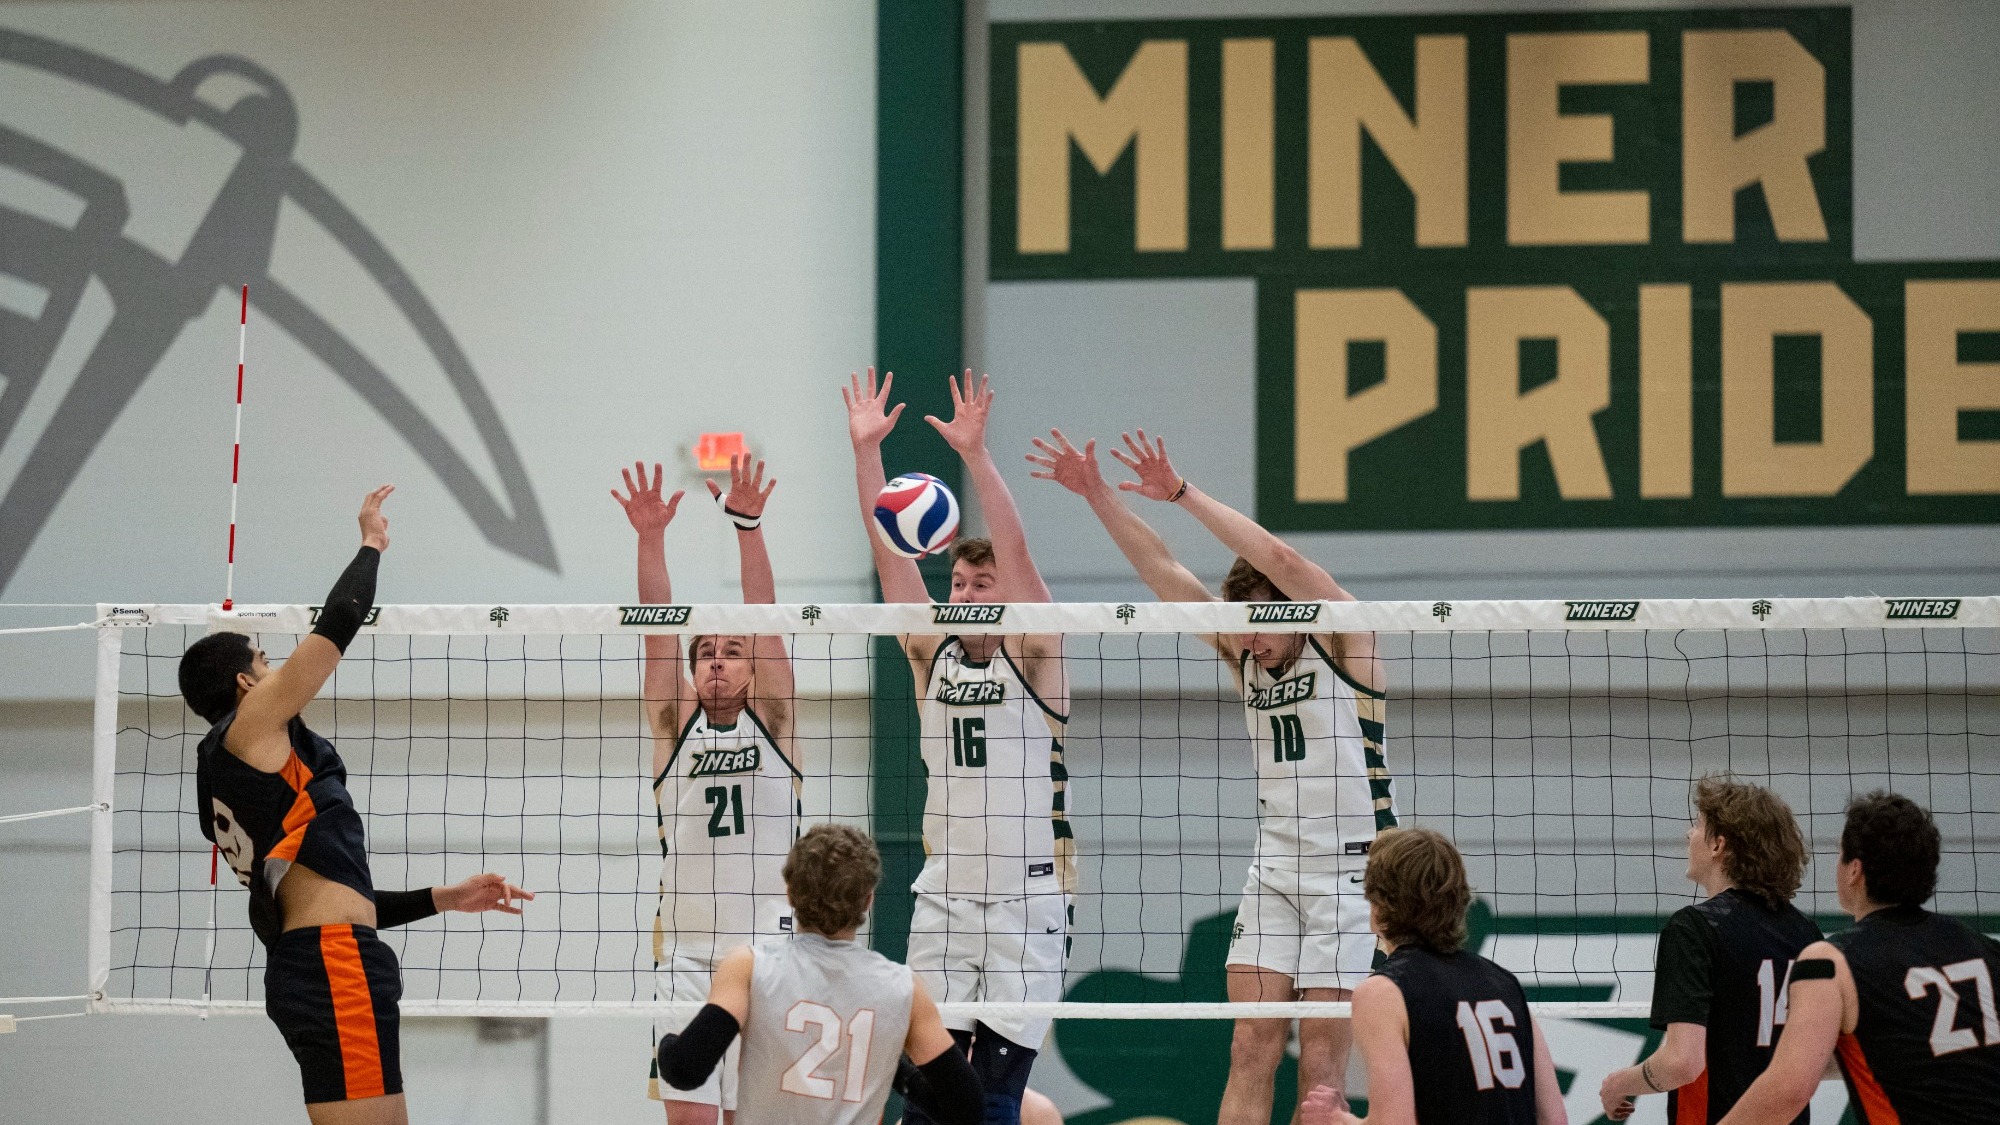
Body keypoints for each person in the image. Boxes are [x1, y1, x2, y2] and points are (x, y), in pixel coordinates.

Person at [1028, 428, 1392, 1123]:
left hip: (1354, 871)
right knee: (1250, 1043)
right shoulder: (1245, 653)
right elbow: (1165, 574)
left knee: (1321, 1063)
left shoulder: (1346, 641)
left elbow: (1282, 557)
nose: (1248, 639)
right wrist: (1097, 493)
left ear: (1295, 609)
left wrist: (1182, 494)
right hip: (1277, 867)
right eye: (1241, 629)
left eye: (1259, 624)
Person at [180, 486, 532, 1124]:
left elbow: (331, 894)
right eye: (264, 659)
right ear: (244, 682)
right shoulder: (250, 727)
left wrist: (444, 898)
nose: (276, 667)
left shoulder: (235, 770)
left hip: (326, 957)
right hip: (333, 962)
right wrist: (372, 541)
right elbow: (339, 619)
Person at [844, 368, 1072, 1125]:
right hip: (944, 896)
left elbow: (1024, 558)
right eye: (960, 582)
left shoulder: (1034, 653)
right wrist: (866, 454)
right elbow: (890, 559)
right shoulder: (928, 651)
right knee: (927, 1096)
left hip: (1024, 901)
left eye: (984, 583)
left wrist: (977, 457)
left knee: (997, 1101)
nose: (969, 593)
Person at [613, 455, 802, 1124]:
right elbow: (658, 633)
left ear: (752, 666)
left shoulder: (775, 719)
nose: (718, 660)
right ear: (694, 671)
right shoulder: (673, 721)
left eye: (732, 650)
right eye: (707, 653)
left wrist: (747, 528)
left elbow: (768, 617)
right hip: (688, 956)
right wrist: (649, 538)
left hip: (773, 956)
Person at [655, 824, 985, 1125]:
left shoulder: (749, 966)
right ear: (868, 900)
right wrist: (898, 1073)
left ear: (790, 894)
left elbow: (685, 1071)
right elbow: (967, 1108)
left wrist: (670, 1043)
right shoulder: (904, 988)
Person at [1716, 792, 2000, 1125]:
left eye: (1839, 855)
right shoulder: (1984, 948)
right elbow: (1905, 1049)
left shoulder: (1829, 962)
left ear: (1854, 870)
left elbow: (1787, 1090)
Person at [1300, 828, 1565, 1125]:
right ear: (1458, 901)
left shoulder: (1383, 993)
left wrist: (1337, 1119)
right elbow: (1555, 1120)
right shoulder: (1505, 984)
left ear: (1377, 908)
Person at [1599, 776, 1821, 1122]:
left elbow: (1683, 1062)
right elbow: (1822, 1059)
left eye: (1698, 825)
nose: (1689, 835)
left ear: (1719, 844)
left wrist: (1619, 1083)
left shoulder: (1694, 928)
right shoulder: (1806, 932)